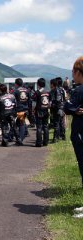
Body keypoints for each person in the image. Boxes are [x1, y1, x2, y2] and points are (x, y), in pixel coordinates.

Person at [64, 57, 83, 218]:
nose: (72, 75)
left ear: (78, 72)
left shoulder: (79, 90)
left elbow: (67, 106)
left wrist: (73, 109)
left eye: (73, 72)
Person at [32, 78, 50, 147]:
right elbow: (50, 103)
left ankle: (39, 142)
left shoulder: (37, 92)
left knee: (39, 127)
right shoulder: (48, 92)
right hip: (46, 111)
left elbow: (34, 103)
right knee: (45, 126)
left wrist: (33, 110)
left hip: (39, 111)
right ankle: (46, 142)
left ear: (38, 84)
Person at [13, 78, 30, 143]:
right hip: (25, 109)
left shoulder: (16, 91)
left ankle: (20, 139)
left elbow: (13, 99)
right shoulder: (27, 90)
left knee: (21, 124)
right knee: (18, 123)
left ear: (16, 84)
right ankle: (19, 136)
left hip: (19, 110)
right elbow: (29, 100)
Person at [49, 78, 64, 143]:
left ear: (52, 84)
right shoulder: (59, 90)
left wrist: (52, 105)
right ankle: (59, 137)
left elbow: (57, 101)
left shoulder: (55, 90)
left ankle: (55, 138)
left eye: (50, 84)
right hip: (59, 108)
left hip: (57, 109)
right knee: (58, 123)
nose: (50, 85)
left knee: (56, 124)